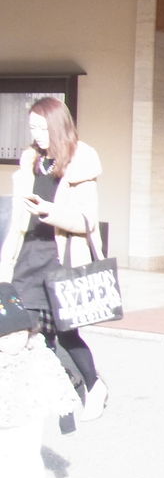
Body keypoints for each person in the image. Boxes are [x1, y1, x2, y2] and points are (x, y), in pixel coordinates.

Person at [0, 97, 109, 420]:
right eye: (32, 127)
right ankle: (56, 385)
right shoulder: (31, 161)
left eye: (42, 127)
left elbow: (86, 220)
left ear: (57, 126)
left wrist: (50, 211)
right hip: (27, 254)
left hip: (59, 256)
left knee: (66, 331)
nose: (36, 134)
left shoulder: (80, 162)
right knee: (25, 326)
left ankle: (94, 385)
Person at [0, 283, 80, 478]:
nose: (14, 342)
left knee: (24, 458)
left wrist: (66, 415)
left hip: (28, 415)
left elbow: (56, 380)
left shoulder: (36, 353)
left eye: (19, 334)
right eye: (5, 337)